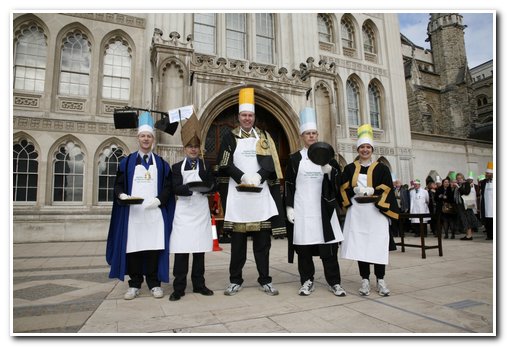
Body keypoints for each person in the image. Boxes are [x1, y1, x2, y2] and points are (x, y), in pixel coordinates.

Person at [217, 87, 286, 296]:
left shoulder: (264, 137)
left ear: (254, 117)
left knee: (262, 244)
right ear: (239, 117)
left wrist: (259, 176)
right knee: (238, 245)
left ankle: (265, 279)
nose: (247, 118)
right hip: (238, 198)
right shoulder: (230, 137)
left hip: (260, 197)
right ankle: (235, 280)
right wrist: (242, 177)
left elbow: (272, 163)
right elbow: (224, 163)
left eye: (250, 115)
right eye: (244, 115)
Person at [106, 112, 175, 300]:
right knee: (134, 250)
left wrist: (160, 199)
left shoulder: (161, 164)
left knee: (153, 250)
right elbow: (118, 184)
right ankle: (134, 284)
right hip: (134, 215)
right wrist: (121, 194)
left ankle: (154, 284)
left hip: (154, 215)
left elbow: (168, 187)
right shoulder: (126, 162)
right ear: (138, 138)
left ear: (153, 139)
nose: (146, 139)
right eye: (143, 136)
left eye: (149, 136)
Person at [285, 107, 346, 297]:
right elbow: (289, 183)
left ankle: (334, 282)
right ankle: (306, 281)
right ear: (302, 136)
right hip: (302, 209)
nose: (311, 136)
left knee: (329, 249)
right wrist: (289, 207)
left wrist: (331, 171)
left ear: (317, 135)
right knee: (303, 249)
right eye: (307, 134)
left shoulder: (327, 156)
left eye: (314, 133)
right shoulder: (295, 159)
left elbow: (339, 183)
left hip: (323, 210)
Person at [339, 124, 399, 297]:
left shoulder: (382, 168)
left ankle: (380, 279)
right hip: (357, 212)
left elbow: (388, 188)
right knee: (361, 246)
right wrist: (354, 190)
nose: (365, 150)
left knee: (377, 246)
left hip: (376, 212)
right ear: (357, 149)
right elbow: (342, 188)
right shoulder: (350, 168)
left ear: (372, 149)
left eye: (368, 147)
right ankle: (364, 280)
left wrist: (374, 190)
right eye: (362, 147)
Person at [168, 113, 215, 301]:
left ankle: (199, 284)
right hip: (184, 212)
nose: (193, 150)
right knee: (181, 250)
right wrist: (191, 188)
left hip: (200, 211)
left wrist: (206, 188)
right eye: (190, 147)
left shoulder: (205, 165)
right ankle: (178, 287)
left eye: (196, 146)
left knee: (198, 250)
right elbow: (175, 187)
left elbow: (214, 185)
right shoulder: (177, 167)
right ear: (184, 148)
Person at [455, 172, 481, 240]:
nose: (459, 180)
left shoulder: (466, 184)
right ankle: (467, 234)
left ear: (463, 178)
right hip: (460, 205)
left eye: (460, 178)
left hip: (465, 204)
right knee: (464, 220)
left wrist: (458, 187)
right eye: (457, 178)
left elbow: (466, 192)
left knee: (467, 219)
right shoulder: (458, 185)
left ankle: (469, 235)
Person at [479, 162, 493, 240]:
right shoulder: (484, 182)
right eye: (486, 173)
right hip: (486, 204)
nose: (486, 174)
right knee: (488, 221)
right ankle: (489, 235)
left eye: (488, 173)